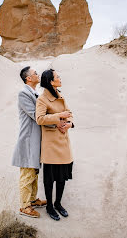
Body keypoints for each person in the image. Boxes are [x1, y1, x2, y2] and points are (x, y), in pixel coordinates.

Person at [36, 69, 74, 221]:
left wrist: (69, 124)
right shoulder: (42, 99)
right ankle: (50, 206)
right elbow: (39, 119)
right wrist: (59, 117)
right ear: (51, 81)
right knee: (49, 179)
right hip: (51, 144)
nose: (60, 78)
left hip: (63, 141)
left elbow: (69, 113)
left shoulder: (60, 95)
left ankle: (58, 203)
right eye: (58, 76)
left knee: (62, 177)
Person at [12, 66, 47, 218]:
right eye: (35, 73)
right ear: (28, 78)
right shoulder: (23, 93)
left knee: (34, 171)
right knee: (27, 173)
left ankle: (32, 200)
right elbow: (36, 115)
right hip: (27, 139)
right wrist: (56, 120)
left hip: (35, 139)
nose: (38, 74)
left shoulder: (35, 93)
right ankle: (24, 206)